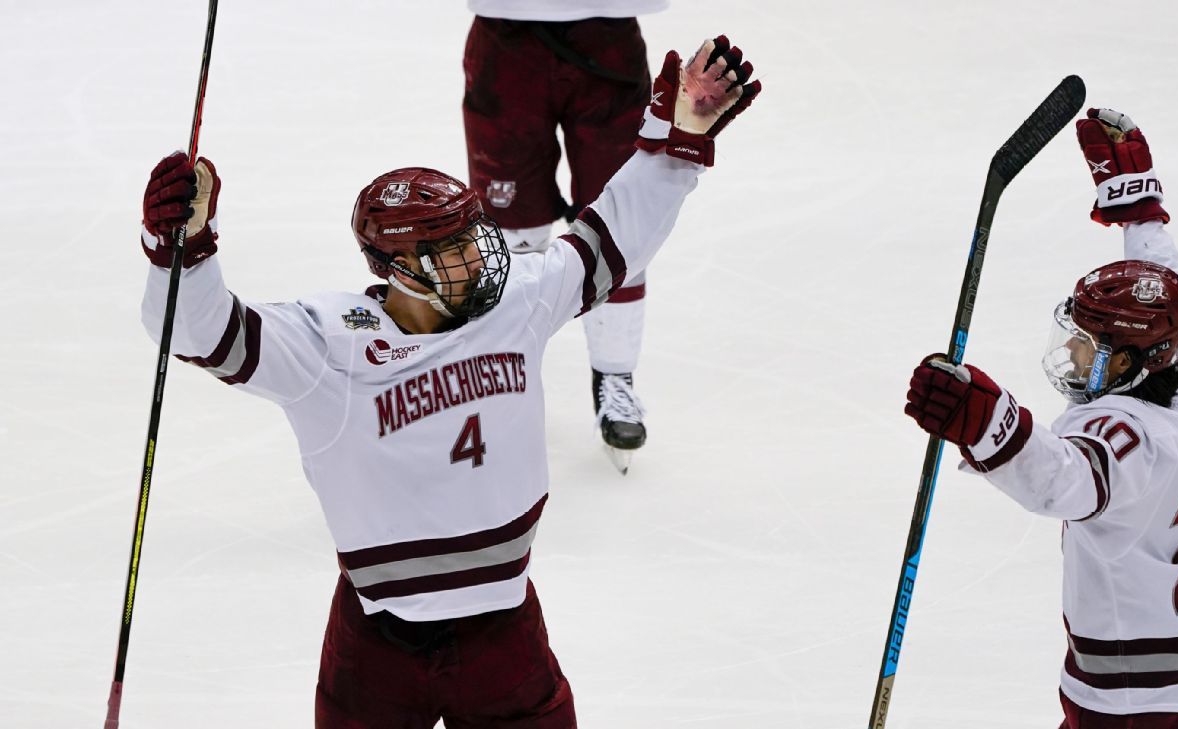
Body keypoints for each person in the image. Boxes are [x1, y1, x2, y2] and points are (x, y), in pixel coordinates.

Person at [139, 37, 759, 728]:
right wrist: (183, 252)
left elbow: (613, 237)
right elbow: (201, 333)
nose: (477, 252)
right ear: (399, 269)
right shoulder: (327, 344)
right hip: (377, 645)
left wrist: (675, 142)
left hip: (505, 631)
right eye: (452, 245)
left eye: (471, 231)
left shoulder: (515, 299)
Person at [903, 108, 1178, 728]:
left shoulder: (1128, 436)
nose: (1072, 353)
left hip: (1140, 674)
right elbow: (1173, 287)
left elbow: (1062, 479)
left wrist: (981, 418)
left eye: (1089, 345)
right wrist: (1139, 209)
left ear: (1132, 356)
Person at [461, 0, 671, 473]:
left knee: (618, 225)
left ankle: (615, 375)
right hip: (506, 36)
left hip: (608, 37)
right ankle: (505, 383)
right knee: (511, 234)